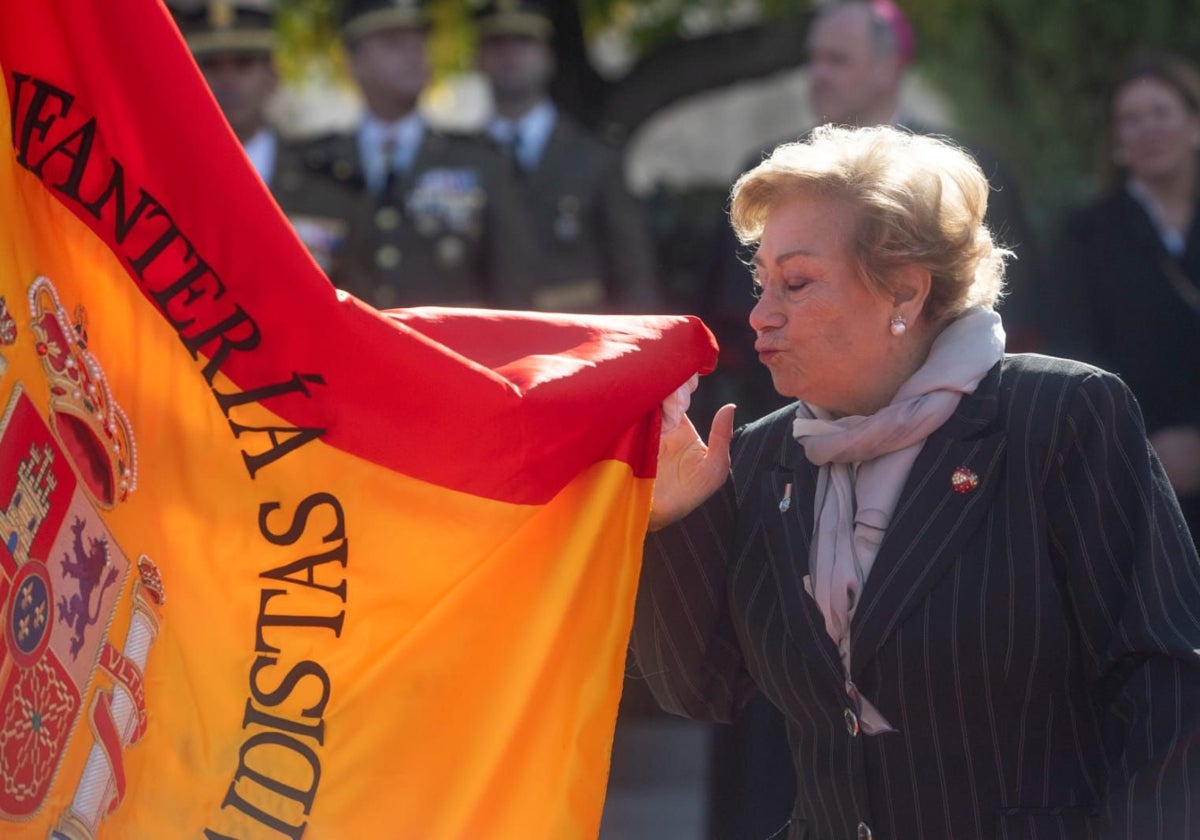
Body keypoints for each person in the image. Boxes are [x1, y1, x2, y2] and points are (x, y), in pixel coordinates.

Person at [636, 124, 1200, 840]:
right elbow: (702, 688)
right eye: (762, 282)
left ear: (903, 290)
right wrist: (674, 519)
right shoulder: (760, 457)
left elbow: (1168, 681)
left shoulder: (1059, 417)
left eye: (797, 283)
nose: (760, 314)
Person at [296, 0, 536, 309]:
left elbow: (513, 292)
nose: (413, 54)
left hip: (447, 353)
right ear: (353, 62)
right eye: (393, 43)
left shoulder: (482, 162)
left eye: (418, 41)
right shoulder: (313, 166)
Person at [1050, 52, 1200, 547]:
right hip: (1134, 473)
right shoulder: (1087, 234)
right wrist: (1151, 440)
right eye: (1131, 120)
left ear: (1193, 122)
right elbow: (1077, 349)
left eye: (1160, 113)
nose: (1147, 130)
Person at [474, 0, 660, 313]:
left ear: (548, 58)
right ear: (478, 59)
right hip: (484, 343)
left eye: (524, 42)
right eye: (496, 43)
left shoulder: (593, 157)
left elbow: (633, 273)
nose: (510, 54)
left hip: (577, 343)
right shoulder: (461, 158)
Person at [168, 0, 353, 279]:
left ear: (272, 77)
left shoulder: (329, 183)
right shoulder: (167, 180)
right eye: (211, 65)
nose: (227, 80)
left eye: (243, 64)